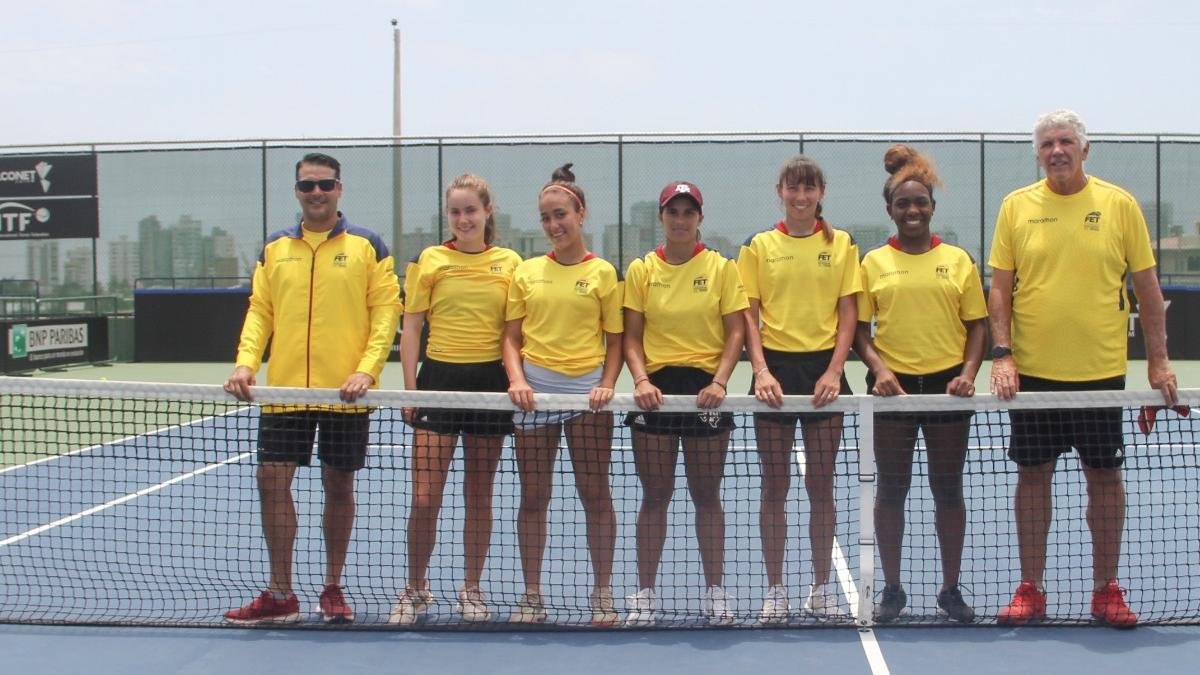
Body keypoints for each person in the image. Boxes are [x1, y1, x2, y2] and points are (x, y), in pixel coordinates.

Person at [989, 109, 1178, 628]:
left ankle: (1105, 590)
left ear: (1084, 149)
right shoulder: (1015, 208)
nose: (1057, 151)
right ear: (1038, 153)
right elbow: (1000, 290)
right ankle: (1030, 588)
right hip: (1034, 377)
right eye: (1047, 143)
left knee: (1104, 477)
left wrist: (1158, 363)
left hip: (1100, 375)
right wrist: (1002, 356)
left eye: (1066, 141)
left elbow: (1148, 289)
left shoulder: (1119, 206)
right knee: (1032, 478)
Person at [223, 152, 402, 625]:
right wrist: (246, 364)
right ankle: (280, 592)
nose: (316, 193)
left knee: (338, 485)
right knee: (271, 482)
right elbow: (260, 311)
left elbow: (386, 313)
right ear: (297, 192)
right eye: (307, 186)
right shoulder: (274, 248)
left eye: (325, 184)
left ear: (339, 188)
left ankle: (332, 586)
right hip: (284, 394)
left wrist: (366, 370)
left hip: (346, 393)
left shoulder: (369, 245)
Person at [854, 145, 987, 623]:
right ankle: (892, 588)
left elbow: (977, 326)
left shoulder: (958, 260)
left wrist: (968, 374)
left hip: (949, 391)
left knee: (948, 490)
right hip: (892, 392)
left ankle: (950, 589)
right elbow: (859, 333)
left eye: (921, 202)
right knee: (891, 489)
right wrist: (882, 371)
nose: (912, 210)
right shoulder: (871, 263)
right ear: (890, 210)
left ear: (932, 207)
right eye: (903, 204)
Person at [388, 175, 522, 625]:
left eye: (471, 210)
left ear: (487, 212)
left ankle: (471, 588)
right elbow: (411, 329)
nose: (463, 219)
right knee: (425, 497)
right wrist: (412, 388)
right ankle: (416, 588)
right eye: (455, 212)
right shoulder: (429, 260)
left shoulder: (510, 263)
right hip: (438, 381)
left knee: (479, 496)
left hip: (490, 383)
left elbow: (513, 333)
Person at [738, 155, 861, 623]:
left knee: (822, 486)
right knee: (774, 486)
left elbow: (848, 314)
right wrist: (762, 371)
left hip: (824, 372)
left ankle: (821, 589)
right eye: (793, 188)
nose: (801, 196)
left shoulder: (842, 244)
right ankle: (775, 590)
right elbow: (749, 313)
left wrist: (833, 372)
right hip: (774, 372)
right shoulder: (758, 246)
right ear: (780, 191)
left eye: (809, 188)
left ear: (821, 192)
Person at [622, 181, 748, 627]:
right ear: (662, 218)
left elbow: (736, 331)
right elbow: (631, 337)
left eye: (687, 212)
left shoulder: (721, 268)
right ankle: (645, 593)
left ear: (699, 217)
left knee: (706, 495)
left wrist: (719, 381)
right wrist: (640, 379)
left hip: (705, 392)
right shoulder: (641, 270)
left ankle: (715, 591)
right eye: (672, 212)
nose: (680, 219)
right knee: (655, 495)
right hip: (654, 391)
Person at [503, 163, 623, 625]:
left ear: (581, 214)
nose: (554, 225)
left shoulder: (603, 274)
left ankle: (602, 593)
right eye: (546, 217)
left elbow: (614, 339)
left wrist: (607, 384)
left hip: (586, 397)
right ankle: (532, 596)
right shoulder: (527, 271)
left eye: (561, 215)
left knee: (595, 494)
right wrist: (517, 380)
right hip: (533, 395)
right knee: (533, 497)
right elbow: (511, 338)